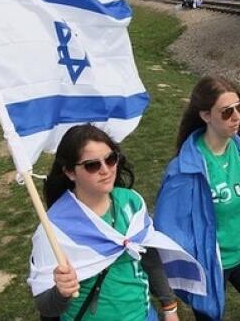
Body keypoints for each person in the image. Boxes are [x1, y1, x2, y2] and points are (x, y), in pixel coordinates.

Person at [154, 76, 240, 321]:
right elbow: (167, 228)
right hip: (211, 264)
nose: (237, 116)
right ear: (206, 116)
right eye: (227, 112)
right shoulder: (184, 170)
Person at [30, 124, 181, 320]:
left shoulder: (131, 203)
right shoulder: (54, 229)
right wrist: (62, 292)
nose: (106, 170)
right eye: (92, 165)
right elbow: (46, 307)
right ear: (69, 172)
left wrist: (169, 307)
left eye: (110, 159)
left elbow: (149, 258)